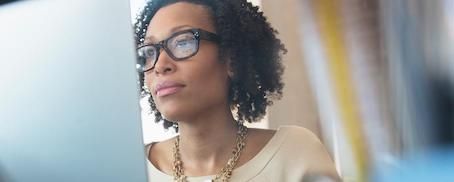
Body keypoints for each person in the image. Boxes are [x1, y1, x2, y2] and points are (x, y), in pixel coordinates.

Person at [134, 0, 340, 181]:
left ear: (232, 59)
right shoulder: (133, 167)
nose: (160, 65)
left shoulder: (294, 155)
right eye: (149, 52)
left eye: (183, 42)